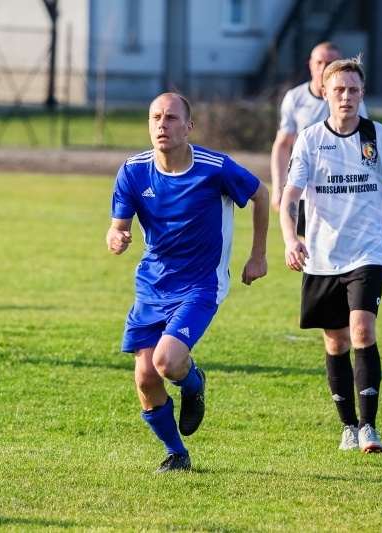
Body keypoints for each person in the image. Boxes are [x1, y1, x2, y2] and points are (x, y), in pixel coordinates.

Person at [107, 92, 269, 473]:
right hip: (153, 284)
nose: (162, 125)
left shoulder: (215, 168)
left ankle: (193, 383)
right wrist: (115, 238)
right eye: (155, 117)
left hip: (202, 283)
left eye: (171, 118)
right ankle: (176, 453)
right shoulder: (132, 171)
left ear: (188, 126)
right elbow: (117, 228)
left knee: (166, 362)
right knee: (146, 377)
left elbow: (261, 194)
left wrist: (258, 255)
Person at [279, 57, 382, 454]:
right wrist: (292, 239)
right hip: (322, 255)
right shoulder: (309, 139)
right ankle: (347, 426)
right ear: (325, 92)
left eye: (353, 90)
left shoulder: (379, 137)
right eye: (338, 89)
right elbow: (290, 196)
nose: (346, 97)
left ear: (362, 94)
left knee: (361, 330)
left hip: (368, 251)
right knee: (336, 342)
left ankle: (369, 427)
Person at [270, 41, 368, 233]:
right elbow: (282, 144)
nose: (324, 68)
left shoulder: (351, 100)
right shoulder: (295, 98)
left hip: (338, 187)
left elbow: (362, 142)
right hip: (304, 187)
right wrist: (277, 187)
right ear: (311, 64)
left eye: (330, 63)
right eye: (319, 62)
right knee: (306, 252)